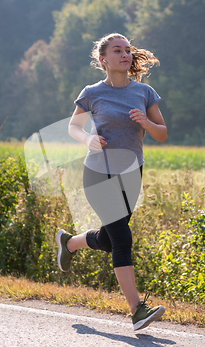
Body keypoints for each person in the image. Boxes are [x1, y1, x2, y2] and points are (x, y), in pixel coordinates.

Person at [56, 32, 167, 331]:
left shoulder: (144, 92)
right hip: (98, 173)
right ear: (103, 60)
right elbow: (73, 126)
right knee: (122, 238)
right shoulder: (92, 92)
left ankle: (71, 243)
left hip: (132, 172)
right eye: (117, 50)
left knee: (108, 239)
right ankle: (137, 310)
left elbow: (162, 132)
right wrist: (88, 138)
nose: (125, 54)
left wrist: (146, 122)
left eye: (127, 50)